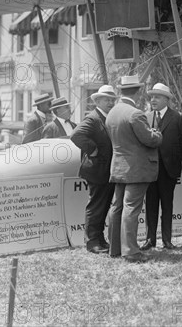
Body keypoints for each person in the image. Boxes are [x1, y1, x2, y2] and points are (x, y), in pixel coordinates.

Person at [106, 75, 163, 263]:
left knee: (117, 207)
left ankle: (115, 248)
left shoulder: (112, 113)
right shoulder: (135, 114)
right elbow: (149, 139)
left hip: (119, 168)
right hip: (136, 170)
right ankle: (130, 251)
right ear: (138, 92)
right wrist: (157, 134)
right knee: (131, 209)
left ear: (121, 91)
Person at [70, 85, 118, 254]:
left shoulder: (106, 117)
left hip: (106, 171)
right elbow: (76, 135)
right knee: (96, 206)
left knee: (103, 206)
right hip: (96, 170)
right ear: (97, 101)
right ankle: (92, 242)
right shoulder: (93, 118)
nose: (111, 103)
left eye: (113, 100)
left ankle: (99, 238)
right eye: (107, 100)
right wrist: (93, 149)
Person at [140, 83, 182, 251]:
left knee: (167, 205)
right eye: (151, 97)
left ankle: (167, 240)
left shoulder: (178, 117)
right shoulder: (145, 117)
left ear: (167, 100)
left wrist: (176, 164)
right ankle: (150, 239)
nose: (153, 100)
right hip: (150, 170)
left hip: (169, 171)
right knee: (151, 205)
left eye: (157, 97)